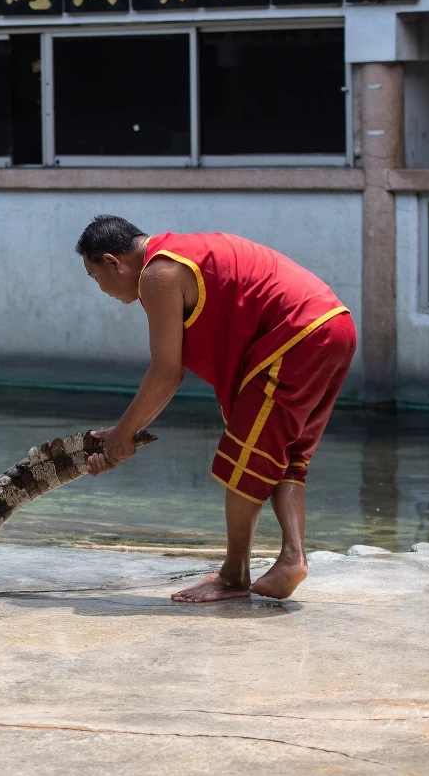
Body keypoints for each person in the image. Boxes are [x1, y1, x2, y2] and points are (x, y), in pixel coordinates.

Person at [77, 215, 356, 602]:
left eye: (95, 277)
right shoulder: (177, 255)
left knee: (241, 458)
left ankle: (233, 576)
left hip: (297, 334)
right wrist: (121, 433)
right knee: (283, 455)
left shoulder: (158, 273)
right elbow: (174, 371)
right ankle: (292, 557)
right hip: (333, 327)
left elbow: (167, 373)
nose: (101, 288)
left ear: (113, 262)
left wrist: (122, 436)